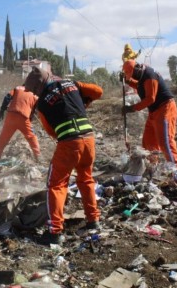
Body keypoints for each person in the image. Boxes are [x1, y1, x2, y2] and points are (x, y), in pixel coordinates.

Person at [23, 67, 103, 245]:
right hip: (89, 140)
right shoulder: (72, 83)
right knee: (86, 179)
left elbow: (51, 131)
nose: (34, 93)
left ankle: (55, 231)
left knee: (56, 185)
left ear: (38, 86)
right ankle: (93, 221)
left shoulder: (42, 104)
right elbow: (98, 92)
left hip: (69, 143)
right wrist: (83, 101)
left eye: (34, 89)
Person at [122, 59, 177, 170]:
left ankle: (176, 169)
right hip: (154, 111)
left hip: (165, 108)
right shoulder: (142, 76)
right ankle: (153, 165)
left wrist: (132, 108)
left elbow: (150, 98)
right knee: (148, 141)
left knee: (165, 140)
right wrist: (128, 81)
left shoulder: (149, 75)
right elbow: (141, 86)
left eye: (132, 74)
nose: (132, 76)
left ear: (137, 69)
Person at [0, 85, 41, 162]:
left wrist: (2, 110)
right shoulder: (35, 95)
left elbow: (7, 97)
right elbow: (34, 111)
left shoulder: (18, 88)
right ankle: (38, 157)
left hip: (11, 116)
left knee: (3, 137)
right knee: (31, 137)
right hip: (24, 118)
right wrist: (30, 120)